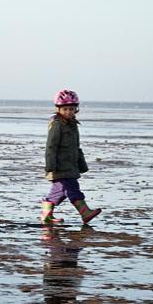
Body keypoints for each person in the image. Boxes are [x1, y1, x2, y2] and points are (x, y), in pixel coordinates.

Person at [42, 89, 102, 225]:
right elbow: (51, 146)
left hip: (71, 166)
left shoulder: (73, 125)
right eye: (65, 109)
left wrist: (81, 164)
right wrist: (50, 166)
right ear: (58, 109)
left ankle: (46, 215)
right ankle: (85, 212)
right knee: (73, 189)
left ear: (76, 109)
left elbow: (76, 148)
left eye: (71, 109)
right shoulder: (57, 124)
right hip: (60, 166)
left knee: (59, 192)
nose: (68, 112)